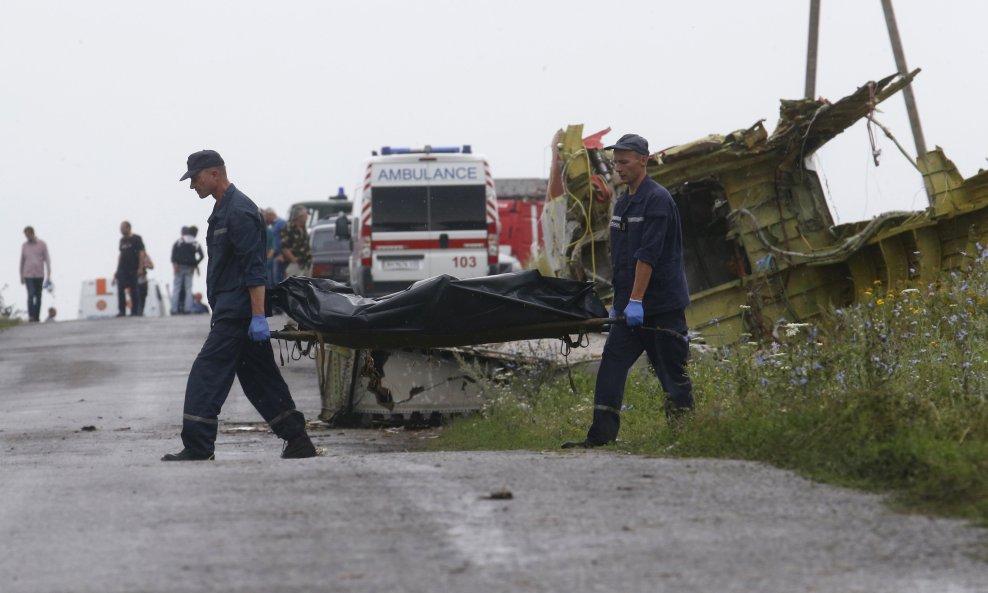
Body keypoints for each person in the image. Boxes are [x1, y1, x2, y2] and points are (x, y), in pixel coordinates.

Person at [163, 149, 316, 461]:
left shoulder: (240, 211)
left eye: (195, 177)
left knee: (206, 374)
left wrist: (258, 316)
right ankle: (298, 439)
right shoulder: (223, 210)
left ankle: (198, 445)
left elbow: (254, 270)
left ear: (215, 174)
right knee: (261, 380)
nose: (192, 185)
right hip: (233, 311)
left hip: (238, 314)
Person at [563, 134, 694, 449]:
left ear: (643, 161)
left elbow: (647, 256)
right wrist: (620, 304)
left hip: (660, 308)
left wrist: (636, 301)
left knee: (671, 376)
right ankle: (600, 437)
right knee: (611, 368)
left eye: (624, 162)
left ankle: (687, 438)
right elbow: (621, 258)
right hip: (628, 310)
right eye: (615, 162)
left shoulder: (657, 200)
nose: (618, 168)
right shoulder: (623, 203)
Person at [20, 226, 51, 323]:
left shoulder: (42, 244)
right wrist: (21, 275)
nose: (27, 237)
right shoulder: (24, 246)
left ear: (32, 233)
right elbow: (22, 261)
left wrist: (49, 275)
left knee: (38, 296)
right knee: (30, 294)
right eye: (25, 235)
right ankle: (31, 316)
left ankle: (36, 317)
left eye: (28, 234)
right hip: (28, 274)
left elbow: (47, 260)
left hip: (39, 274)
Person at [114, 221, 146, 317]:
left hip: (133, 268)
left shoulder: (137, 239)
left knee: (134, 290)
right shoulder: (122, 240)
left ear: (128, 228)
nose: (121, 230)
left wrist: (140, 268)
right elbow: (121, 255)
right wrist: (117, 270)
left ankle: (135, 310)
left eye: (123, 228)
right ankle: (122, 311)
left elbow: (141, 253)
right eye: (120, 228)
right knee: (120, 289)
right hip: (123, 269)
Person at [170, 226, 205, 313]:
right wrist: (195, 263)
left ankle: (174, 309)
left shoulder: (180, 241)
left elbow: (173, 254)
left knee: (177, 288)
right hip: (190, 267)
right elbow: (202, 256)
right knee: (188, 288)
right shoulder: (195, 243)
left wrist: (175, 264)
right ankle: (187, 308)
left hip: (179, 266)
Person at [280, 206, 311, 277]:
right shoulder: (288, 227)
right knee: (294, 285)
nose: (307, 217)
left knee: (306, 285)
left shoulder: (303, 228)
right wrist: (293, 260)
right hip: (295, 264)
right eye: (306, 215)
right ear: (300, 217)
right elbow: (284, 247)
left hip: (306, 263)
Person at [263, 208, 287, 286]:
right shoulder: (272, 225)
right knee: (273, 279)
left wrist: (282, 254)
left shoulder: (281, 223)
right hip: (273, 256)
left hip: (279, 255)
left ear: (270, 215)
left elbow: (285, 239)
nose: (266, 219)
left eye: (266, 217)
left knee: (277, 280)